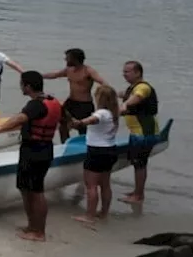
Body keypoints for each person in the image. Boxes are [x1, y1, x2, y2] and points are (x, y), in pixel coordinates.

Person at [0, 71, 63, 242]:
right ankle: (32, 226)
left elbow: (20, 118)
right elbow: (65, 120)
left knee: (36, 191)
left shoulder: (35, 105)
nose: (20, 87)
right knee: (26, 189)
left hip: (34, 151)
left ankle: (39, 232)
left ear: (28, 86)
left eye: (21, 84)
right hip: (44, 149)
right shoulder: (52, 100)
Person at [68, 84, 120, 224]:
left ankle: (89, 216)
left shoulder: (101, 113)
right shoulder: (113, 113)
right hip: (110, 150)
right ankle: (103, 213)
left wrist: (79, 123)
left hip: (96, 151)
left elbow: (91, 120)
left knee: (91, 185)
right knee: (105, 184)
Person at [41, 48, 107, 140]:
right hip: (71, 102)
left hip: (84, 105)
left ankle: (85, 148)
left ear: (75, 59)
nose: (65, 60)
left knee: (82, 129)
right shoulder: (69, 70)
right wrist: (40, 76)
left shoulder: (88, 71)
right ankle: (65, 145)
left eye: (67, 58)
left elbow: (103, 82)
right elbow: (55, 75)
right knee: (63, 126)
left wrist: (104, 99)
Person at [119, 60, 159, 205]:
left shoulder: (142, 88)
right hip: (136, 133)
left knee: (139, 164)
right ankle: (137, 191)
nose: (124, 74)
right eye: (123, 71)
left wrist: (124, 105)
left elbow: (136, 98)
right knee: (136, 163)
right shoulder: (132, 88)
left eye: (127, 72)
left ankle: (139, 195)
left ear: (138, 73)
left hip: (144, 134)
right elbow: (125, 94)